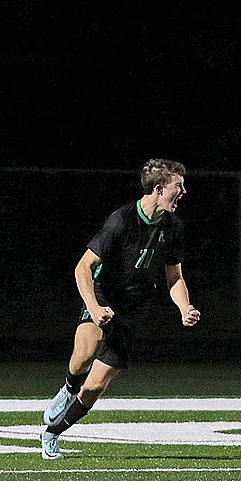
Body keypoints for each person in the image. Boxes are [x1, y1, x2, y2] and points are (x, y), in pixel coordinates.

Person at [40, 158, 201, 460]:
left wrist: (184, 307)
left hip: (134, 308)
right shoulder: (122, 220)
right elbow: (82, 267)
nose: (184, 191)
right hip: (104, 296)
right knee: (84, 355)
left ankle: (52, 432)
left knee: (95, 387)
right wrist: (94, 306)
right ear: (159, 188)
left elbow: (174, 277)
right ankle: (66, 387)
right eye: (178, 186)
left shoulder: (173, 226)